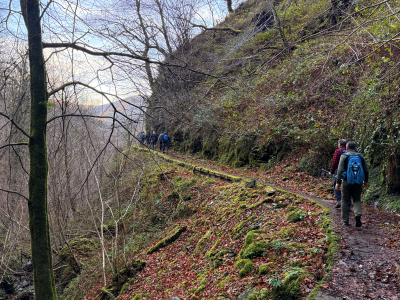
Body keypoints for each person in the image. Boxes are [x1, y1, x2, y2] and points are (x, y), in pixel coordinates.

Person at [336, 141, 369, 227]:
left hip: (346, 182)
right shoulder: (360, 156)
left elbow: (340, 170)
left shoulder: (344, 156)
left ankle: (345, 220)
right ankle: (357, 215)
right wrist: (365, 181)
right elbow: (366, 170)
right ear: (355, 148)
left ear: (346, 148)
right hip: (358, 182)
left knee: (344, 200)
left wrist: (338, 182)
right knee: (357, 199)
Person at [329, 139, 350, 209]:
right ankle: (348, 204)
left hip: (340, 171)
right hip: (349, 172)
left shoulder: (338, 151)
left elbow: (334, 162)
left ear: (340, 144)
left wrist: (331, 171)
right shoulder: (349, 151)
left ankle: (339, 199)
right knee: (347, 187)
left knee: (336, 184)